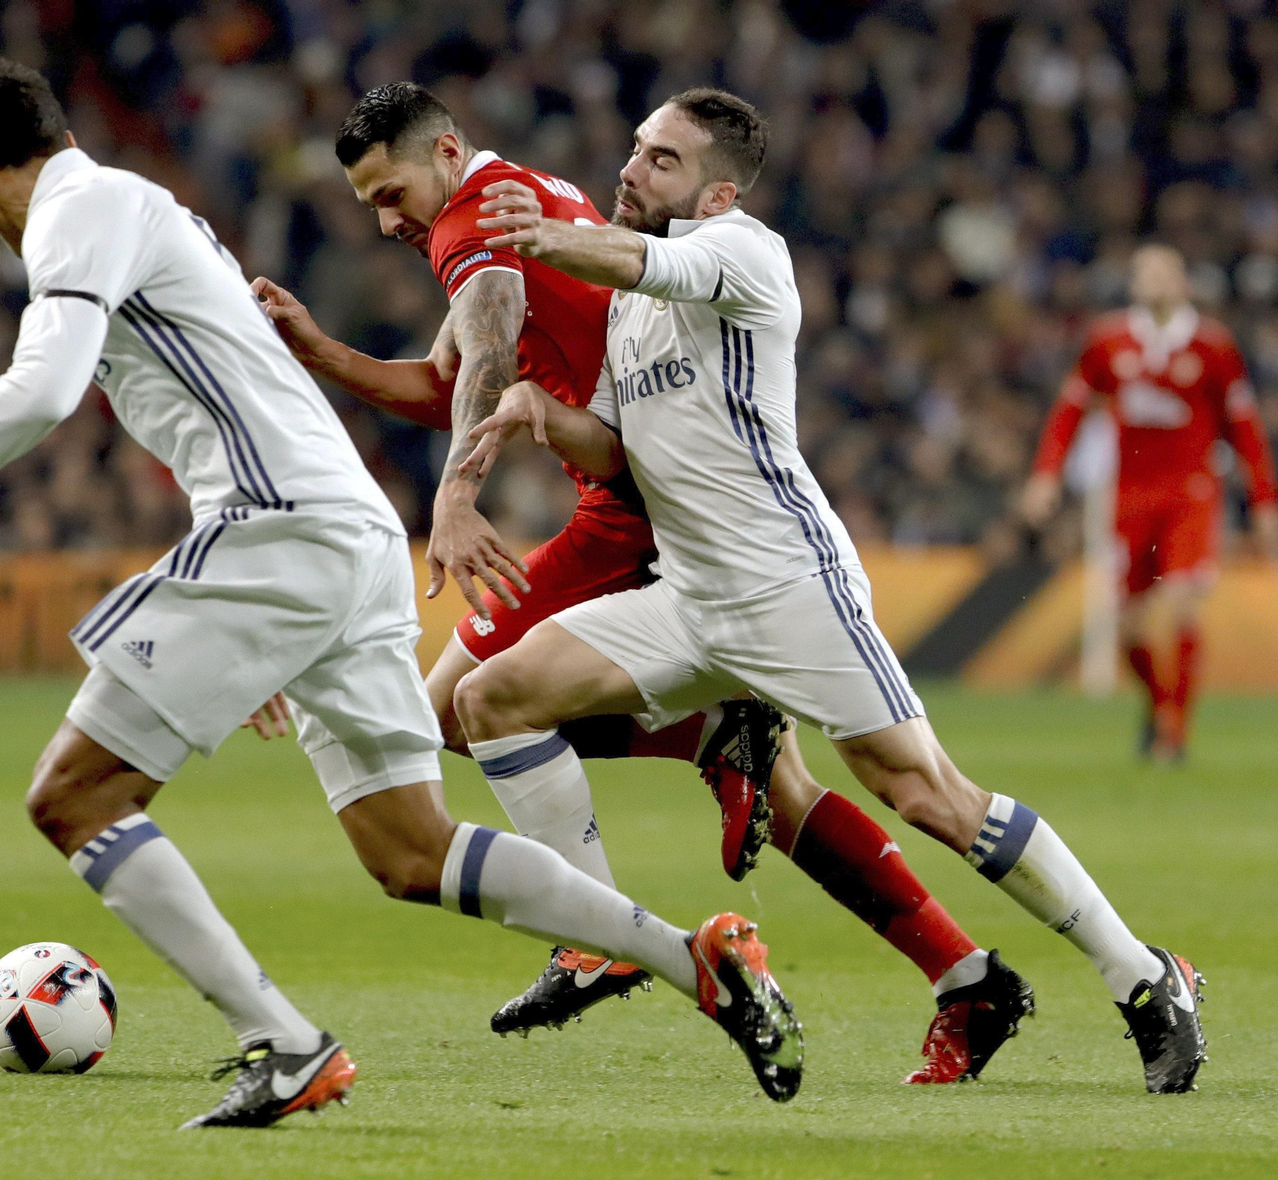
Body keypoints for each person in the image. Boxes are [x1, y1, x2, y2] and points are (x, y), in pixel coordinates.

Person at [0, 58, 806, 1124]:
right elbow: (248, 402)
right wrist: (260, 630)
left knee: (74, 797)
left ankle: (282, 1044)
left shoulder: (75, 215)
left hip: (279, 534)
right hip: (338, 535)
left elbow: (47, 386)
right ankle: (695, 960)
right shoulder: (151, 212)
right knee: (411, 851)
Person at [249, 81, 1016, 1084]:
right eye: (369, 209)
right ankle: (962, 974)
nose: (388, 222)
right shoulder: (524, 195)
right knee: (782, 802)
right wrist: (319, 350)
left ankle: (619, 901)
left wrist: (454, 495)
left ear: (442, 154)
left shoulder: (470, 226)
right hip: (650, 499)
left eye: (391, 193)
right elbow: (444, 383)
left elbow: (485, 341)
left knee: (455, 711)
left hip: (630, 512)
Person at [456, 87, 1207, 1095]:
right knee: (489, 700)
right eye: (635, 149)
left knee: (926, 793)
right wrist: (538, 411)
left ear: (716, 189)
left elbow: (638, 256)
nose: (633, 170)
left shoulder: (741, 250)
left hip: (786, 585)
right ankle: (601, 935)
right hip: (686, 598)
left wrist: (540, 238)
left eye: (663, 160)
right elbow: (622, 449)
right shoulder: (632, 312)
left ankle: (1143, 974)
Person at [1023, 244, 1278, 762]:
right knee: (1128, 628)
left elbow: (1245, 428)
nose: (1154, 281)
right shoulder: (1108, 340)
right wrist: (1045, 477)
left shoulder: (1212, 346)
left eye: (1165, 271)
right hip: (1130, 497)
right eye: (1144, 273)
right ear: (1133, 283)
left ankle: (1174, 733)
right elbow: (1069, 411)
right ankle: (1161, 706)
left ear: (1184, 282)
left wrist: (1264, 501)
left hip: (1192, 494)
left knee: (1184, 602)